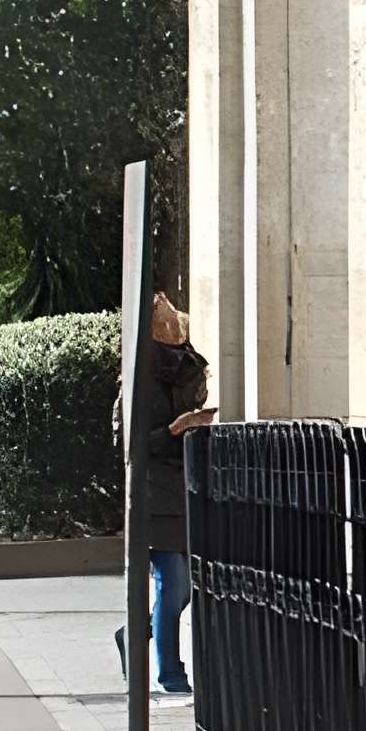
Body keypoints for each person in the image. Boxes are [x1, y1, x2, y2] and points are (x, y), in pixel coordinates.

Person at [113, 293, 215, 696]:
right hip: (154, 496)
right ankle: (170, 671)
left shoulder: (186, 374)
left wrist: (195, 425)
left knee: (183, 588)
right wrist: (173, 430)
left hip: (185, 490)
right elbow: (128, 443)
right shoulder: (137, 381)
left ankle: (134, 633)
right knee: (173, 585)